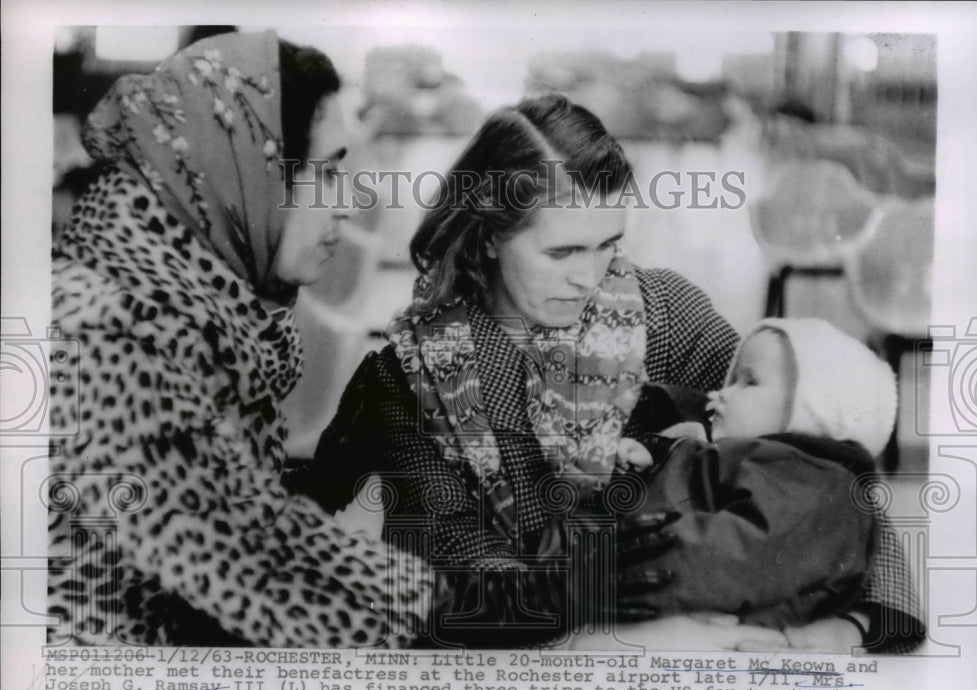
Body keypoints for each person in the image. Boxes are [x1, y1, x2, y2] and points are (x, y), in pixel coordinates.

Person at [310, 93, 924, 653]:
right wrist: (615, 626)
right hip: (518, 674)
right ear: (490, 236)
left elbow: (816, 464)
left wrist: (850, 627)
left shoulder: (667, 316)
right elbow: (457, 580)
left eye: (608, 243)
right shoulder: (411, 377)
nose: (589, 275)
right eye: (562, 251)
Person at [47, 31, 433, 648]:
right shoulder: (108, 331)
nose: (347, 203)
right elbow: (255, 569)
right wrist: (498, 602)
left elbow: (226, 506)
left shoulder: (199, 314)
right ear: (246, 174)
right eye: (327, 171)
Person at [605, 318, 897, 645]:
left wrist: (599, 574)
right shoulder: (753, 460)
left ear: (816, 409)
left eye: (749, 382)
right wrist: (654, 456)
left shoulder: (810, 487)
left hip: (655, 599)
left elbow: (721, 559)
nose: (721, 393)